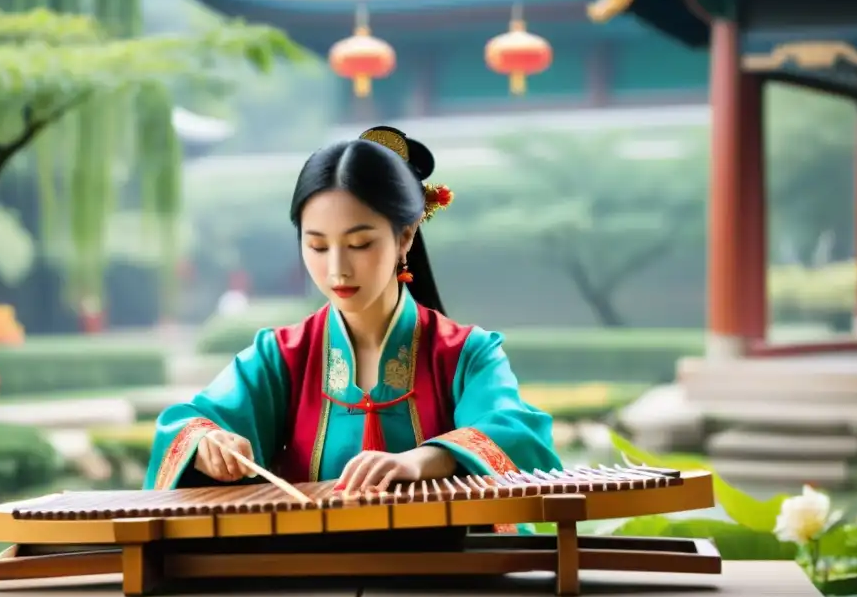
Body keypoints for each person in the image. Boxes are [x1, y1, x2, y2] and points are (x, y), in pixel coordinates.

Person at [143, 125, 562, 515]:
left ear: (406, 236)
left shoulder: (467, 354)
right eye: (318, 247)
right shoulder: (280, 357)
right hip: (307, 577)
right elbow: (185, 423)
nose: (337, 270)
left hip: (448, 576)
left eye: (359, 243)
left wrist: (423, 460)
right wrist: (207, 443)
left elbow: (514, 432)